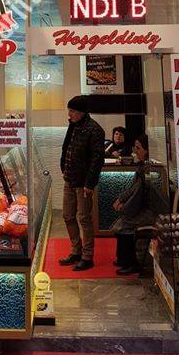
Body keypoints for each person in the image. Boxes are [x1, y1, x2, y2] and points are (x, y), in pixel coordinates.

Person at [59, 95, 105, 271]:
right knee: (68, 216)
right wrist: (63, 166)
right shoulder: (73, 125)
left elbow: (97, 160)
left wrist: (89, 184)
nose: (69, 114)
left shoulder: (95, 130)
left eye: (72, 111)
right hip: (69, 178)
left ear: (82, 112)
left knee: (84, 218)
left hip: (83, 182)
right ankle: (75, 251)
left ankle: (87, 256)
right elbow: (66, 148)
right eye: (69, 110)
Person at [111, 133, 154, 275]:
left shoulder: (148, 169)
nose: (135, 151)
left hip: (150, 211)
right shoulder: (144, 166)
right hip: (142, 207)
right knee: (122, 222)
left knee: (124, 226)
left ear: (147, 150)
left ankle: (131, 262)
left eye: (138, 148)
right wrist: (122, 201)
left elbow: (137, 193)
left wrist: (124, 205)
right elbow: (134, 190)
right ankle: (123, 259)